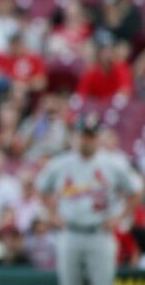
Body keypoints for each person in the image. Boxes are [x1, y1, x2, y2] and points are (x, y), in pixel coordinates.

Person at [36, 114, 143, 285]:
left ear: (98, 137)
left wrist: (120, 217)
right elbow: (41, 188)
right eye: (83, 135)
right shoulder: (61, 163)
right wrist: (53, 214)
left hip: (100, 232)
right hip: (70, 232)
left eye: (91, 135)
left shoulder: (113, 163)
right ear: (76, 135)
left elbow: (137, 190)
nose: (87, 140)